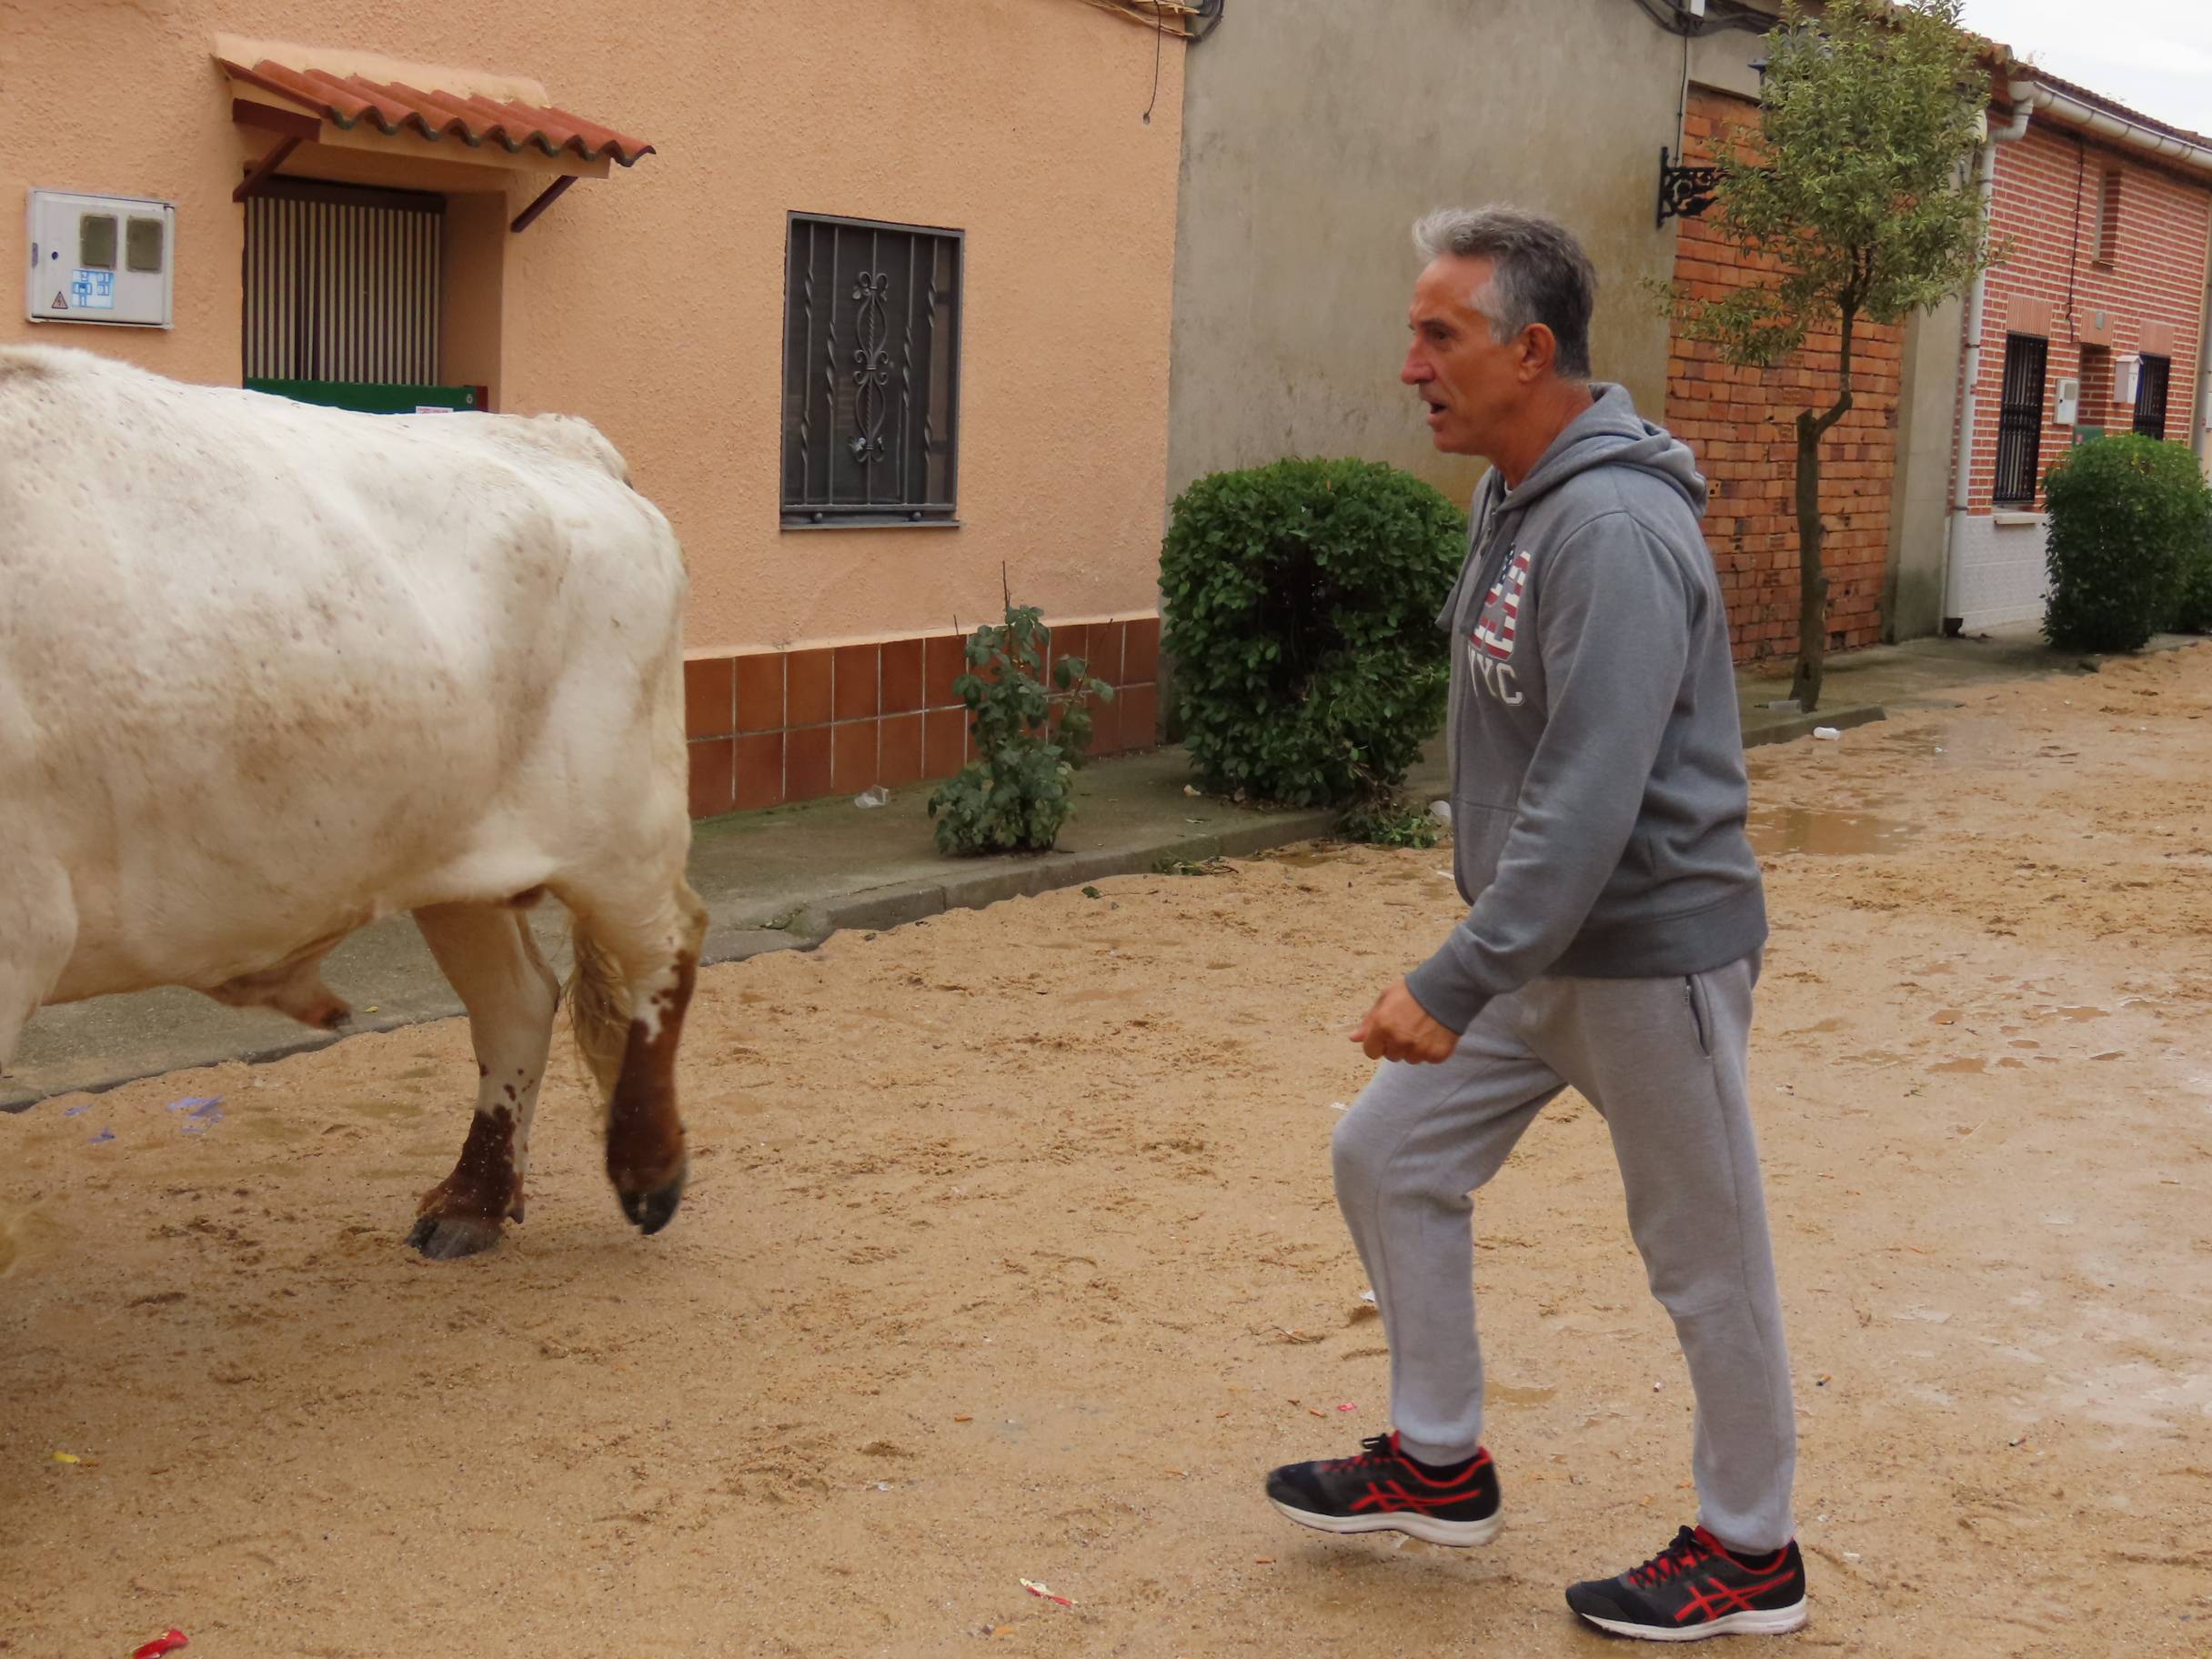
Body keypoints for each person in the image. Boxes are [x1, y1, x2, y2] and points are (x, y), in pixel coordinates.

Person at [1262, 206, 1805, 1643]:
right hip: (1542, 941)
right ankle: (1439, 1460)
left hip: (1651, 954)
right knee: (1386, 1151)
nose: (1410, 366)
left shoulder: (1615, 526)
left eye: (1440, 335)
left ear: (1533, 349)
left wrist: (1454, 974)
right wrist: (1491, 949)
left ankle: (1753, 1552)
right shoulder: (1522, 494)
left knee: (1706, 1259)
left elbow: (1589, 797)